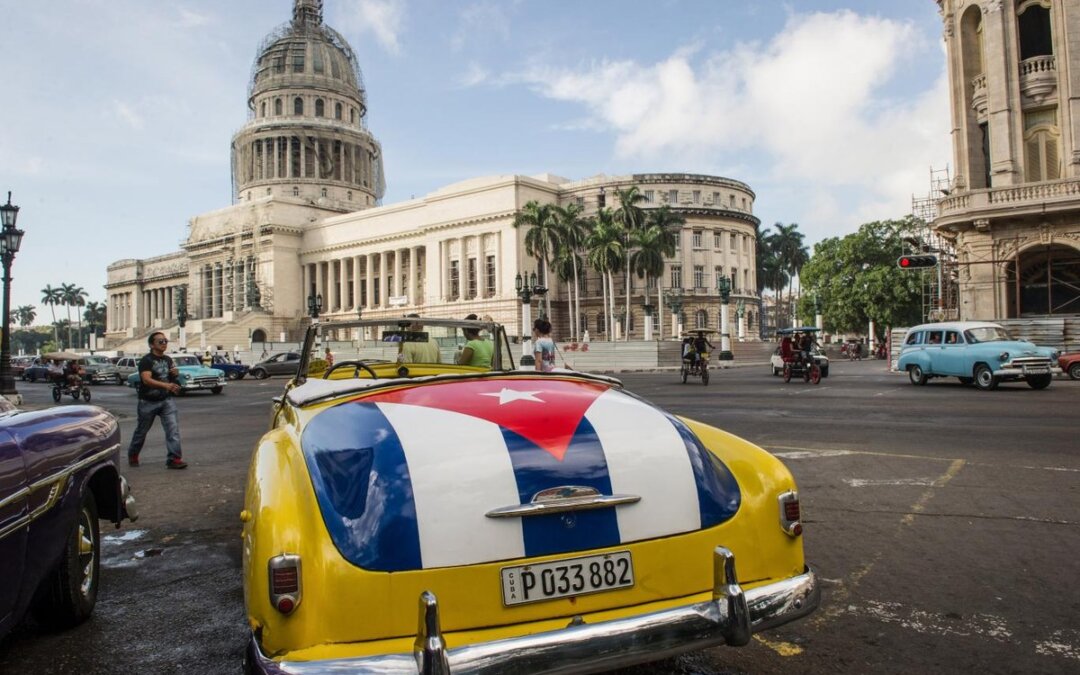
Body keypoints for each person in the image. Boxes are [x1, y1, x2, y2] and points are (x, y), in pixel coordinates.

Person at [127, 331, 187, 470]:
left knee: (173, 430)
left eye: (165, 341)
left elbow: (171, 378)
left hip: (166, 400)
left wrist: (175, 377)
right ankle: (133, 454)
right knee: (141, 431)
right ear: (151, 345)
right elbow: (146, 380)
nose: (164, 343)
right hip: (148, 402)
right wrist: (166, 386)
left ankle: (174, 459)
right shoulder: (146, 361)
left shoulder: (168, 359)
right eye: (160, 341)